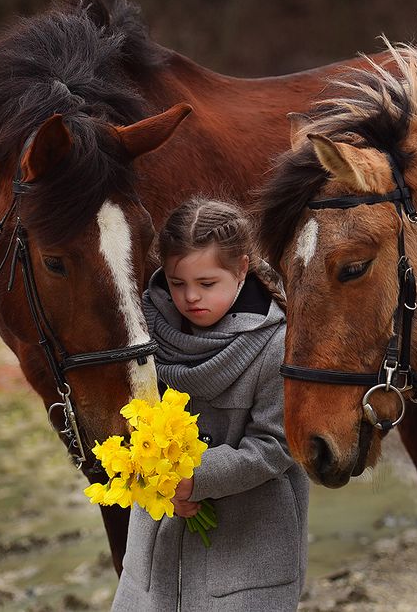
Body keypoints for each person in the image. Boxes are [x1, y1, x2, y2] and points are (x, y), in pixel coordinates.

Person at [111, 197, 309, 612]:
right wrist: (153, 479)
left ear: (241, 270)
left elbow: (278, 446)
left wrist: (196, 479)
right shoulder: (142, 333)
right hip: (157, 551)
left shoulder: (278, 344)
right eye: (178, 283)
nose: (191, 298)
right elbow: (130, 421)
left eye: (206, 283)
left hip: (249, 545)